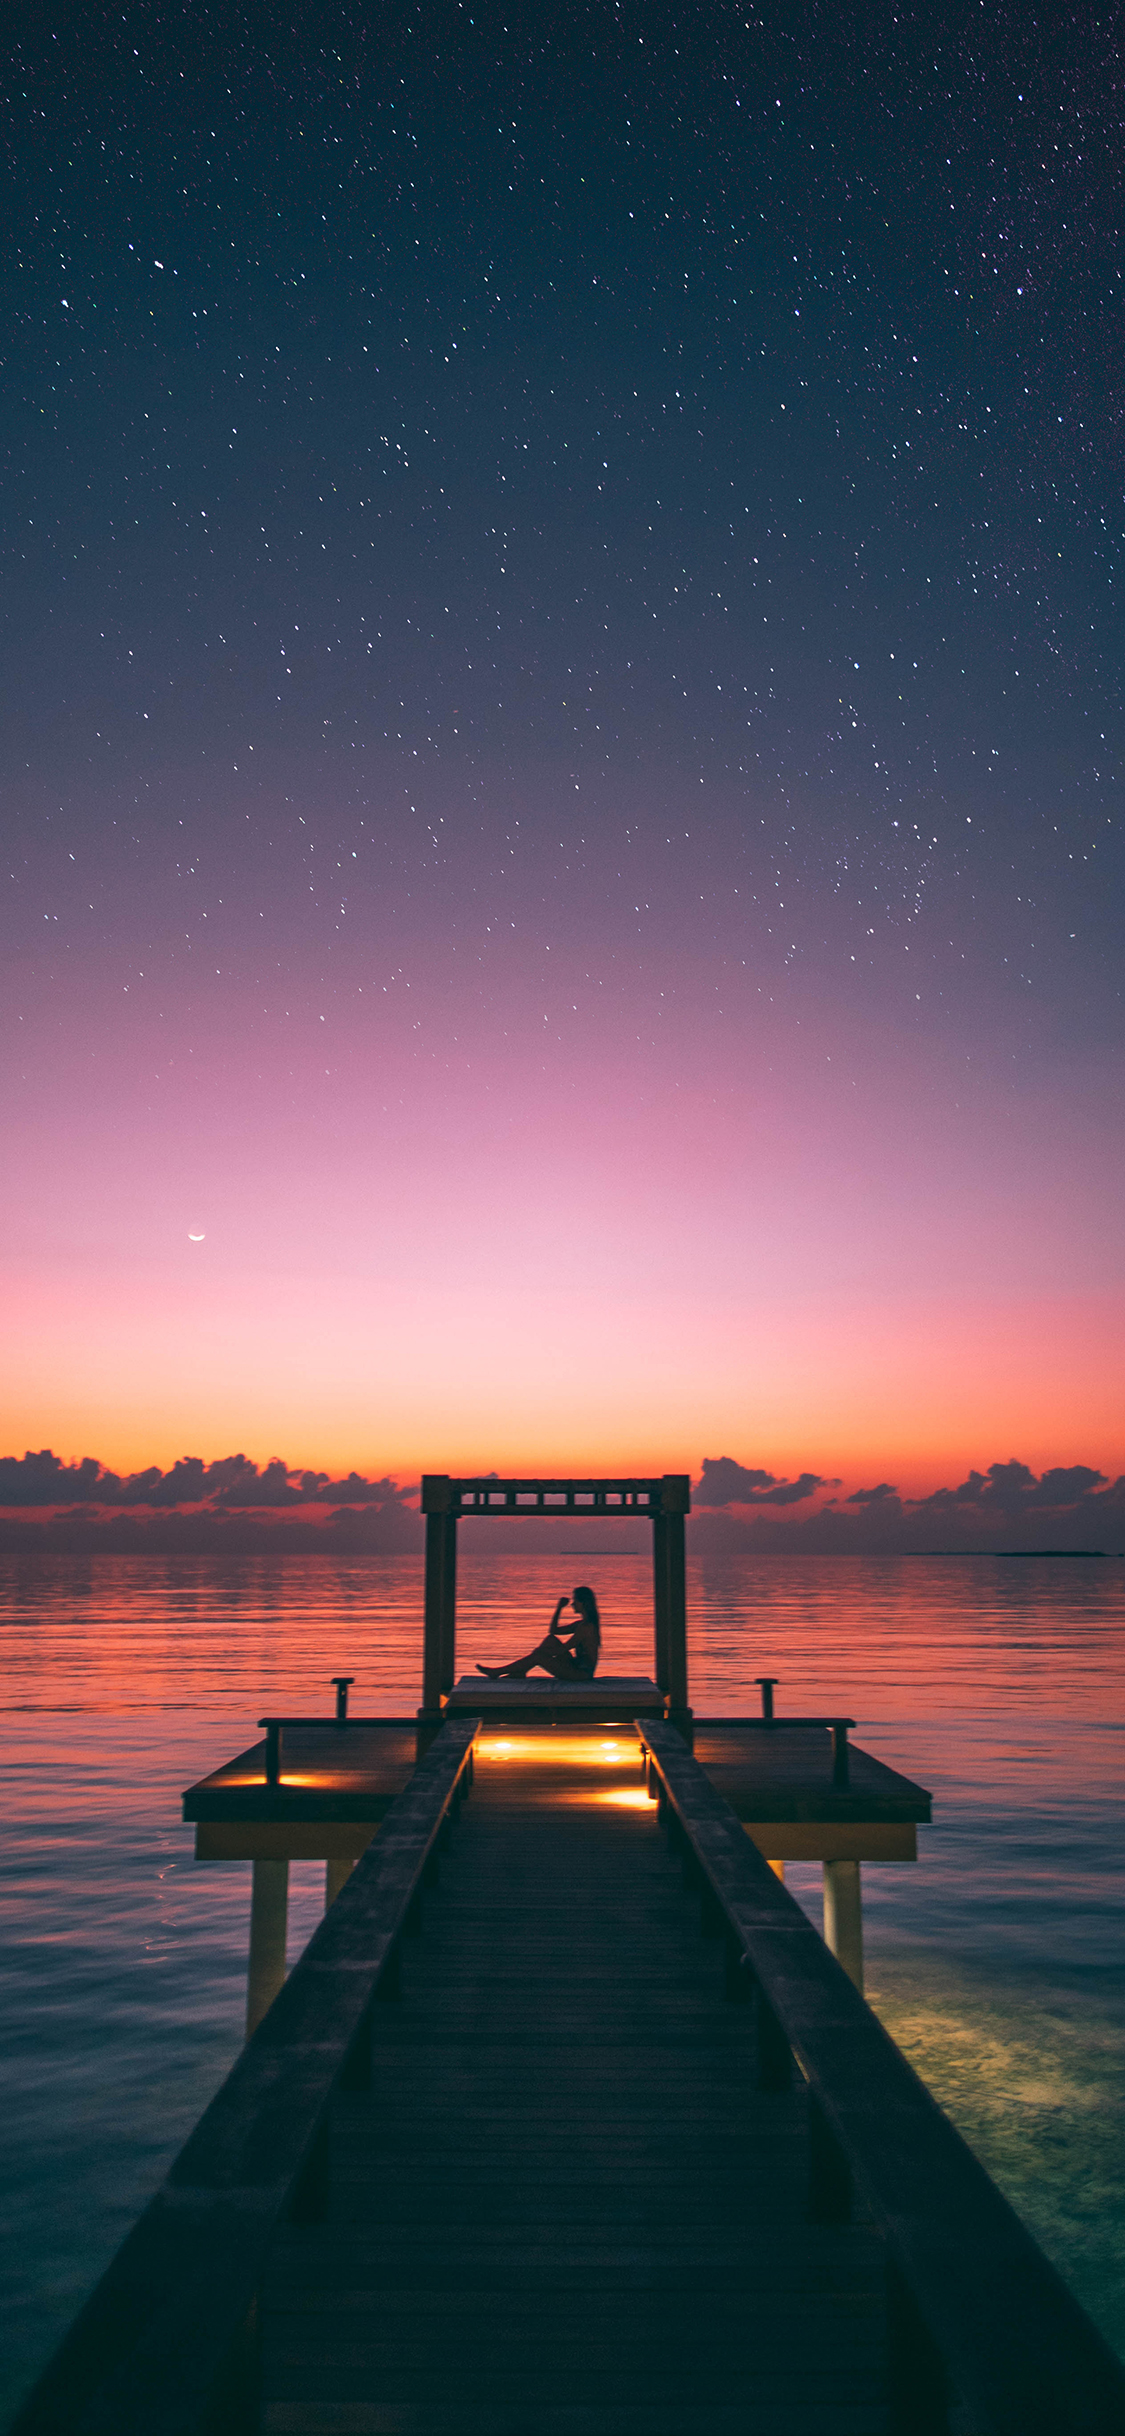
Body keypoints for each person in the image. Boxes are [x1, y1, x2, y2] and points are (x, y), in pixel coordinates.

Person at [477, 1586, 601, 1680]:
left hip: (582, 1674)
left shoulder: (587, 1627)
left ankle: (498, 1672)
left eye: (575, 1601)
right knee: (550, 1639)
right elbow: (553, 1631)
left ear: (583, 1603)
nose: (572, 1604)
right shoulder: (580, 1624)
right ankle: (520, 1671)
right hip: (575, 1665)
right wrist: (559, 1608)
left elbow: (562, 1649)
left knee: (538, 1656)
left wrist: (540, 1654)